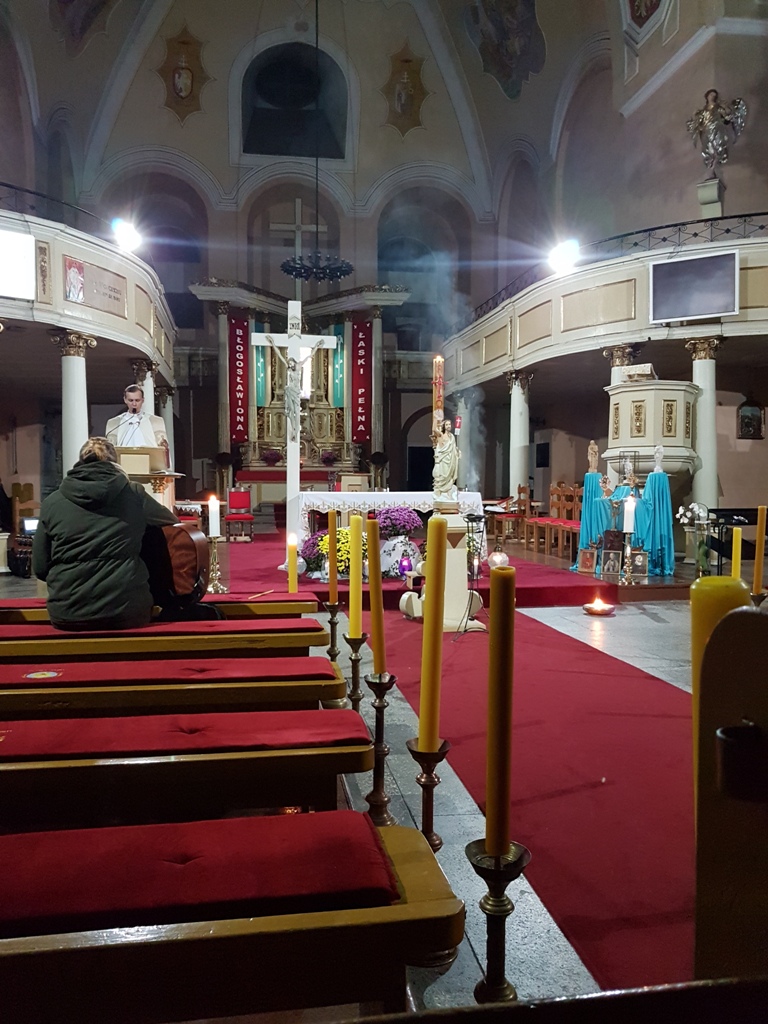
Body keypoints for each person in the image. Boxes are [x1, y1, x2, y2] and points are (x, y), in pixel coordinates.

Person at [32, 436, 178, 631]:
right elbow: (170, 521)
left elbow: (40, 567)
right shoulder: (133, 494)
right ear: (114, 463)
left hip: (68, 612)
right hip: (127, 611)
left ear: (80, 462)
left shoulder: (52, 502)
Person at [106, 384, 169, 455]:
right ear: (125, 400)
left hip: (148, 459)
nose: (134, 404)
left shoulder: (155, 421)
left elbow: (163, 450)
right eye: (131, 400)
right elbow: (110, 451)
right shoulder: (115, 423)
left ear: (143, 400)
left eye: (137, 400)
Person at [432, 419, 460, 501]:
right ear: (444, 426)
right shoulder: (441, 434)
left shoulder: (452, 436)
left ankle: (448, 491)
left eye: (449, 424)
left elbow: (453, 448)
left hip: (451, 459)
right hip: (443, 458)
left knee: (450, 476)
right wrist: (435, 420)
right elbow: (434, 429)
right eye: (447, 425)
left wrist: (457, 452)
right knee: (443, 475)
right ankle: (441, 491)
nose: (448, 426)